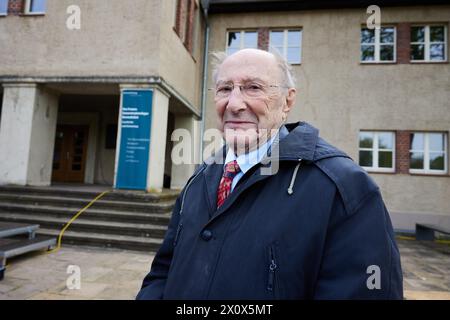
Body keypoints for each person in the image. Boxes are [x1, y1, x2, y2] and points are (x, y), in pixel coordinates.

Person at [136, 49, 403, 300]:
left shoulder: (342, 187)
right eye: (225, 89)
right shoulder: (200, 178)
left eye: (253, 87)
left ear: (288, 101)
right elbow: (162, 272)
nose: (234, 103)